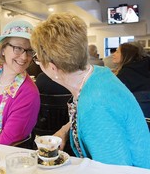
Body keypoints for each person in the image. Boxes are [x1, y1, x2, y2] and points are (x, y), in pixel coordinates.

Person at [30, 12, 150, 168]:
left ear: (53, 68)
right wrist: (64, 131)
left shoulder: (95, 105)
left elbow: (115, 170)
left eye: (37, 59)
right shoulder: (98, 74)